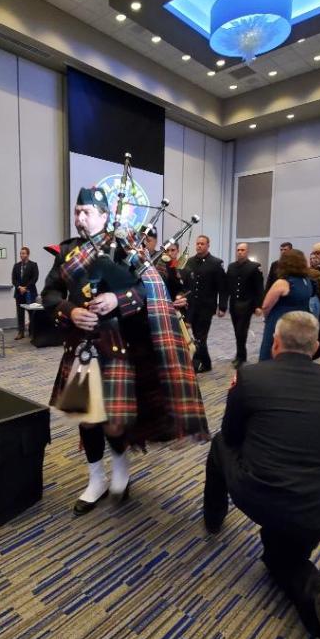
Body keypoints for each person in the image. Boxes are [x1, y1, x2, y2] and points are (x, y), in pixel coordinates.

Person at [202, 311, 320, 639]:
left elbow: (232, 435)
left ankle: (213, 516)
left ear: (275, 342)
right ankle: (319, 597)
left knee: (219, 444)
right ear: (316, 347)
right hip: (318, 506)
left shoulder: (251, 377)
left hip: (261, 494)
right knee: (284, 561)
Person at [41, 187, 208, 515]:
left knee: (115, 422)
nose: (80, 217)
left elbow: (147, 290)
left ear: (105, 216)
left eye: (87, 212)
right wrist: (70, 311)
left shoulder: (124, 247)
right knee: (87, 419)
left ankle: (121, 469)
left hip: (117, 345)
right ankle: (96, 479)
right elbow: (50, 293)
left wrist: (117, 299)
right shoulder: (67, 252)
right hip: (81, 346)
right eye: (77, 211)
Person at [258, 249, 314, 361]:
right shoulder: (307, 281)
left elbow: (266, 306)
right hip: (299, 323)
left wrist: (267, 317)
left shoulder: (283, 283)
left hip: (281, 322)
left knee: (271, 352)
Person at [181, 235, 226, 372]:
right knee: (196, 336)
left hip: (206, 307)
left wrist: (222, 306)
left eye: (202, 243)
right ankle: (206, 363)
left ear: (208, 245)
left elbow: (222, 287)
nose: (199, 246)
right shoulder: (189, 262)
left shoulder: (216, 263)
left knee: (200, 336)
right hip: (191, 307)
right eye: (197, 243)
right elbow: (186, 283)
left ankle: (198, 364)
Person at [224, 242, 264, 367]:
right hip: (234, 304)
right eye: (238, 250)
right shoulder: (231, 266)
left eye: (242, 250)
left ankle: (241, 356)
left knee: (241, 331)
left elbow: (259, 288)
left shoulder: (254, 267)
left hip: (247, 304)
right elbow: (227, 286)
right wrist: (223, 304)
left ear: (247, 252)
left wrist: (259, 306)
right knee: (237, 331)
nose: (240, 252)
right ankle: (240, 354)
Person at [12, 246, 39, 340]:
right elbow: (14, 279)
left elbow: (35, 278)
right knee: (20, 313)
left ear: (28, 254)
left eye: (23, 253)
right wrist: (19, 287)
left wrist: (26, 287)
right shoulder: (16, 266)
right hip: (19, 293)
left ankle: (32, 332)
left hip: (30, 292)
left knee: (32, 313)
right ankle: (21, 332)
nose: (21, 255)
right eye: (20, 253)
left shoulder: (33, 265)